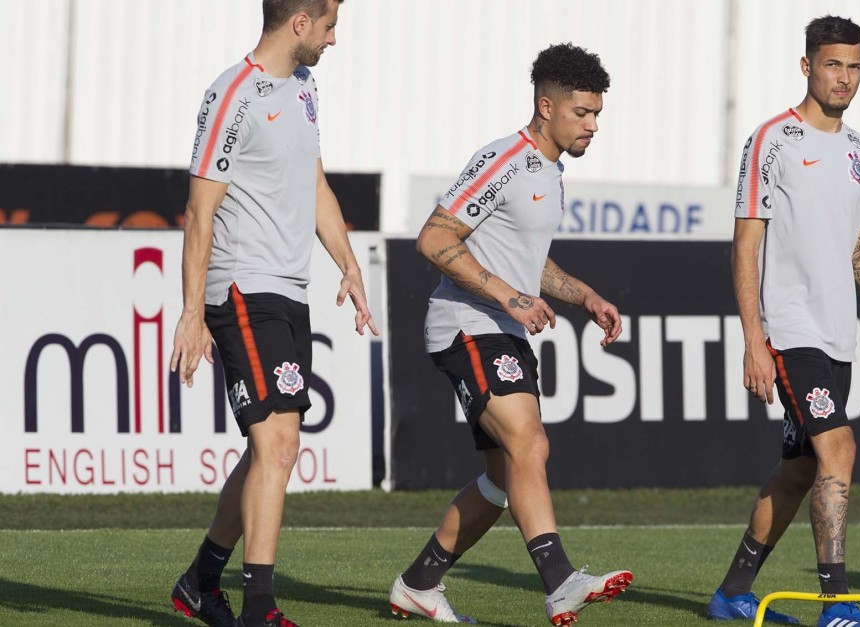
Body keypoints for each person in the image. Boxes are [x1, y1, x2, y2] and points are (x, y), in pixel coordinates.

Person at [387, 43, 632, 627]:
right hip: (467, 324)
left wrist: (585, 296)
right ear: (546, 107)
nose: (593, 125)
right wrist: (509, 297)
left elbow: (531, 261)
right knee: (531, 443)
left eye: (598, 114)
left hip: (503, 328)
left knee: (502, 482)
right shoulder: (506, 158)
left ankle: (418, 584)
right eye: (583, 113)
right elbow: (435, 238)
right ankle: (560, 581)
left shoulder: (551, 172)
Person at [707, 15, 860, 627]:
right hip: (790, 331)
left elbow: (854, 249)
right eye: (833, 65)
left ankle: (732, 594)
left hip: (838, 336)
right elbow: (745, 244)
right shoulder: (771, 139)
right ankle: (837, 606)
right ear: (807, 66)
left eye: (855, 67)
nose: (844, 78)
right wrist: (755, 339)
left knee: (802, 469)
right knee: (840, 447)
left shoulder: (858, 150)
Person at [168, 1, 377, 626]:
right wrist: (192, 310)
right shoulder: (230, 95)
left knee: (269, 449)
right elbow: (199, 210)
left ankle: (200, 582)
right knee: (279, 446)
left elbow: (314, 184)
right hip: (240, 290)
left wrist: (348, 262)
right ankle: (260, 607)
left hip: (291, 291)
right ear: (301, 23)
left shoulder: (306, 89)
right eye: (331, 26)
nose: (335, 41)